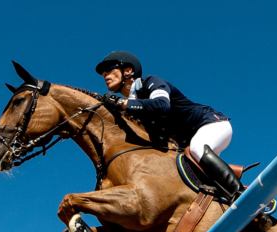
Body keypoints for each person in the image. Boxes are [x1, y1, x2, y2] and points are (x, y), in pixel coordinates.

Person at [96, 51, 244, 202]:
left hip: (211, 124)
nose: (104, 74)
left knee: (197, 148)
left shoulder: (149, 82)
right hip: (186, 145)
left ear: (128, 70)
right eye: (102, 72)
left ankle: (239, 195)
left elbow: (161, 105)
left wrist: (121, 103)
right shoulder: (133, 106)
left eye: (109, 68)